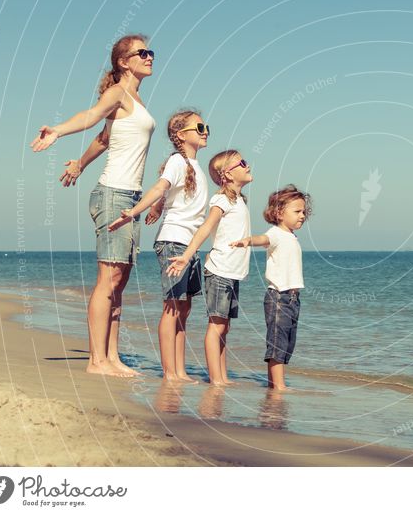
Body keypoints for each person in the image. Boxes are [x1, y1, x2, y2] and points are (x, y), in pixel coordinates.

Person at [30, 34, 157, 377]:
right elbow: (90, 116)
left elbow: (104, 138)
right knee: (108, 279)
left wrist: (79, 165)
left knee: (119, 282)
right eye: (141, 53)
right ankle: (96, 361)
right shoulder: (117, 93)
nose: (149, 57)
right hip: (113, 194)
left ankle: (112, 357)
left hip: (131, 197)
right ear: (123, 62)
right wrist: (57, 130)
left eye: (150, 52)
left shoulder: (136, 99)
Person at [109, 110, 209, 382]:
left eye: (206, 126)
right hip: (174, 241)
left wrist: (159, 206)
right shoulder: (177, 161)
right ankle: (170, 372)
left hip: (190, 245)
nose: (205, 131)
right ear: (180, 135)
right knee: (172, 307)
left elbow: (171, 196)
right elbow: (159, 188)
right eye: (199, 126)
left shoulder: (195, 166)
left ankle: (180, 369)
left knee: (184, 309)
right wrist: (134, 211)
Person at [166, 150, 253, 386]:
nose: (248, 165)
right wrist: (186, 256)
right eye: (242, 163)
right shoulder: (221, 201)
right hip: (219, 271)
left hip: (233, 273)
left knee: (224, 327)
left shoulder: (239, 200)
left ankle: (222, 375)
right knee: (216, 326)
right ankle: (216, 378)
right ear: (226, 174)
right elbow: (205, 229)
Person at [230, 185, 311, 391]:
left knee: (287, 343)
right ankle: (279, 386)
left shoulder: (291, 236)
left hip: (293, 298)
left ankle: (274, 384)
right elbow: (263, 239)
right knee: (277, 341)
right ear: (279, 213)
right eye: (297, 211)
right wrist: (248, 241)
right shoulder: (275, 233)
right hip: (279, 297)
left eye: (304, 211)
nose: (302, 215)